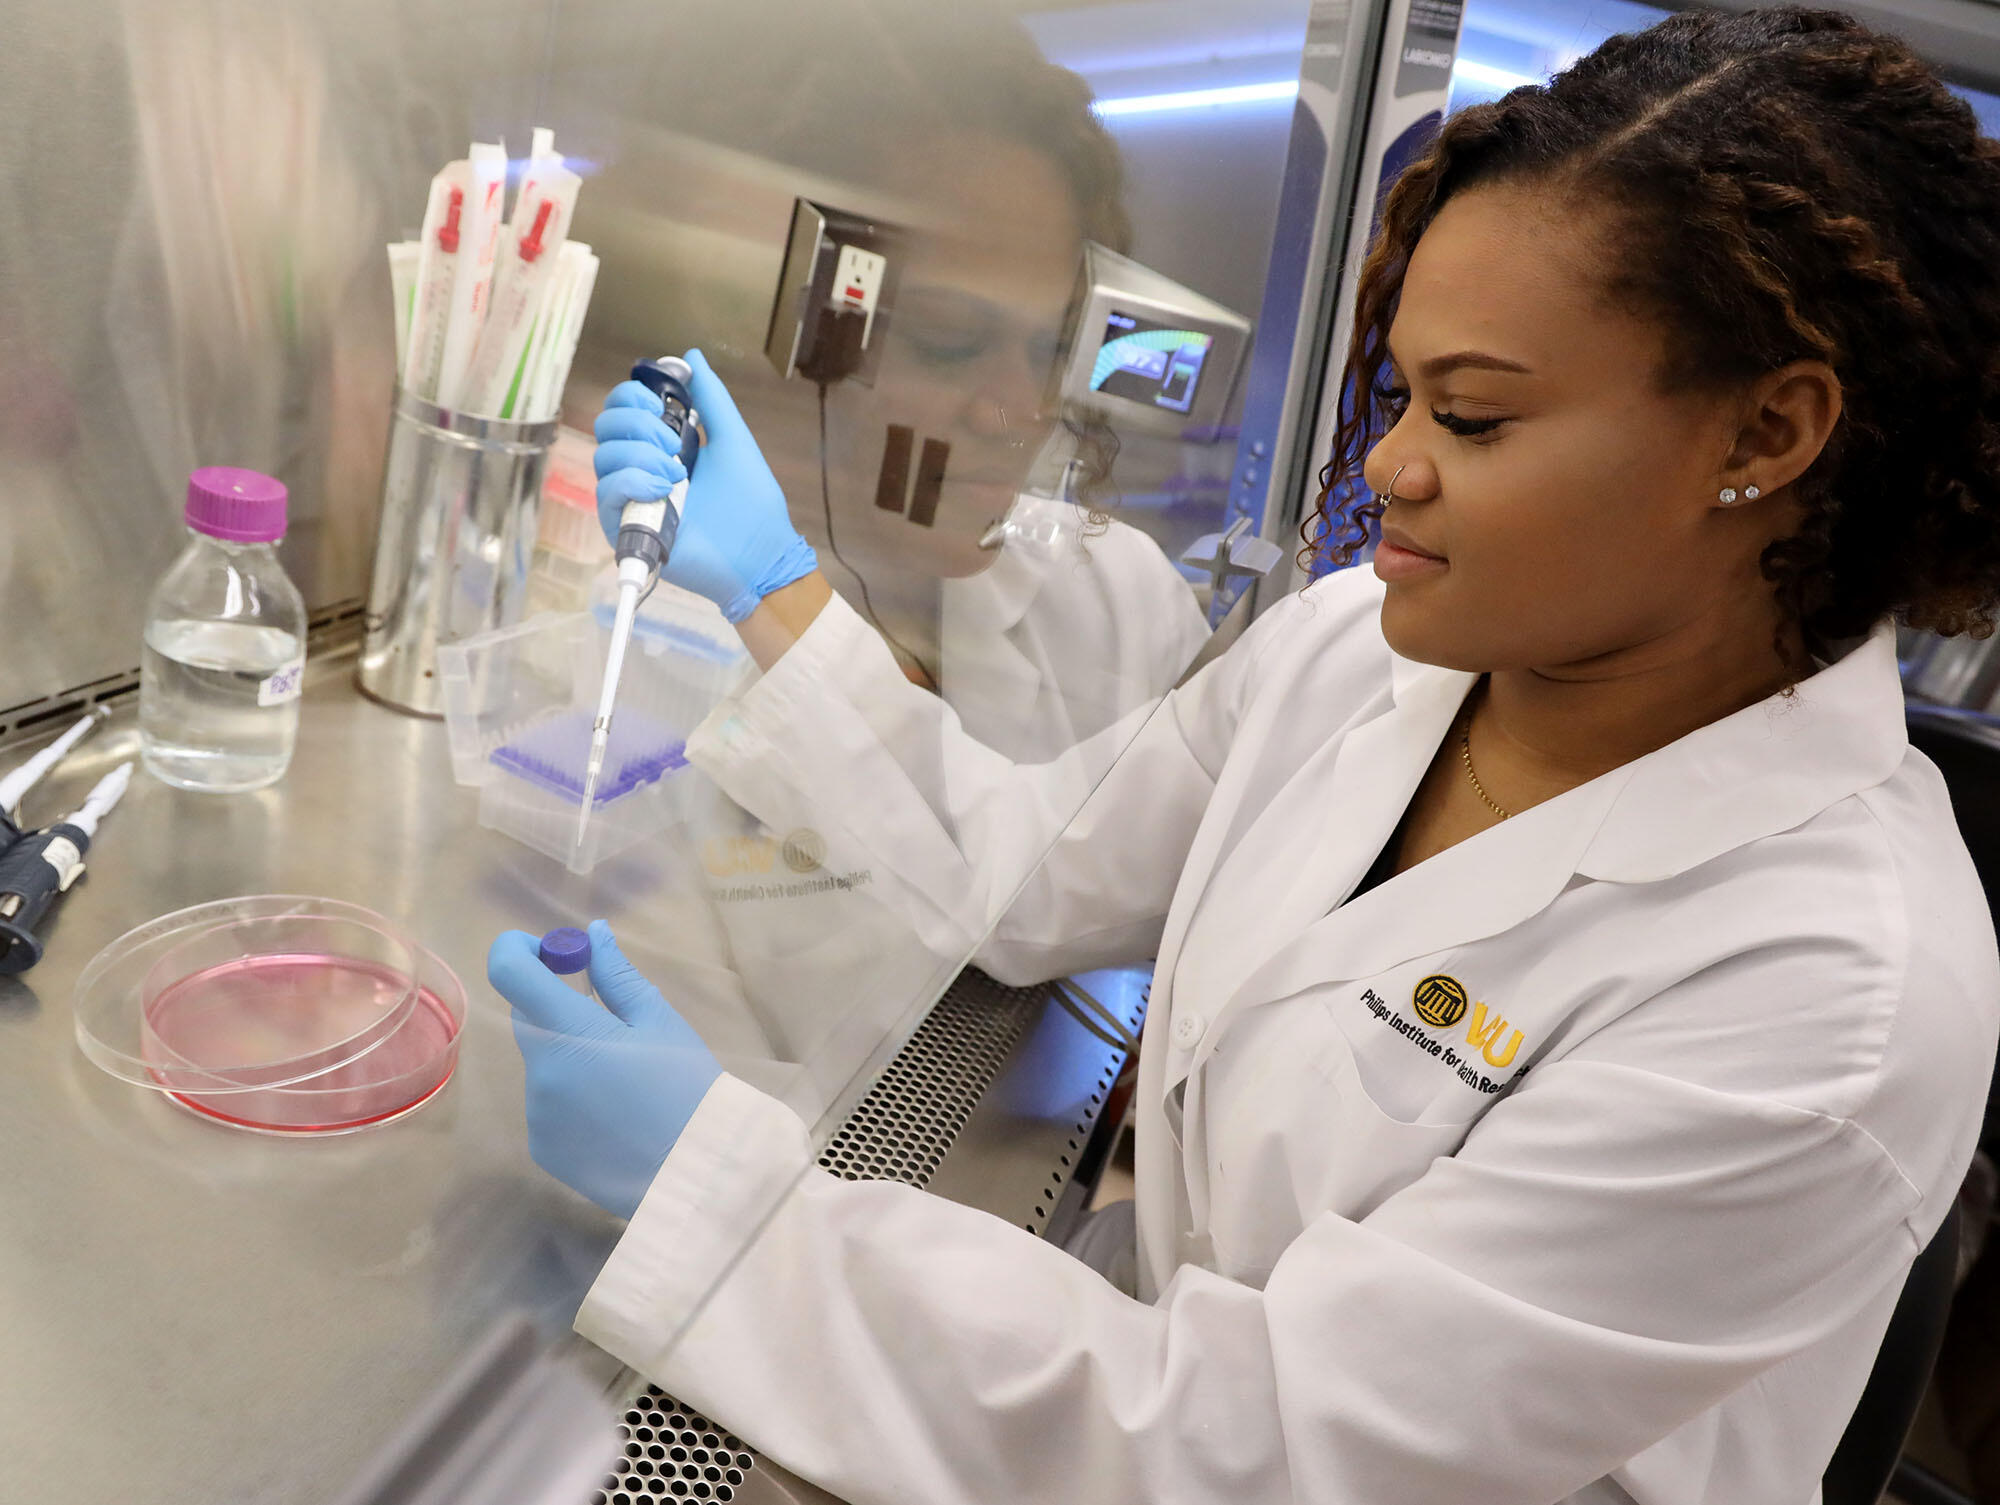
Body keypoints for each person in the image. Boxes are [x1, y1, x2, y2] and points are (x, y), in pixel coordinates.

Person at [488, 9, 2000, 1501]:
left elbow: (1275, 1444)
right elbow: (1027, 877)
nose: (1395, 465)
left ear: (1769, 434)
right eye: (1401, 393)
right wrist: (776, 590)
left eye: (1474, 417)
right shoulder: (1365, 648)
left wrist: (718, 1204)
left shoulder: (1834, 989)